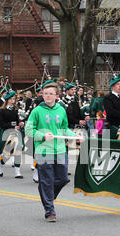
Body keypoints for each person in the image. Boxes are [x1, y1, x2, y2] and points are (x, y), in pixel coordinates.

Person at [24, 80, 79, 222]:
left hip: (60, 149)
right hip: (43, 150)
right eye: (45, 93)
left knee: (63, 178)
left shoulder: (61, 110)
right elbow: (28, 130)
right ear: (42, 95)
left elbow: (64, 128)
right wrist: (42, 136)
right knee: (47, 180)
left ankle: (47, 194)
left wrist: (75, 137)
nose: (47, 96)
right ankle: (49, 210)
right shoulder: (36, 111)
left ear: (57, 96)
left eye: (51, 94)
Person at [0, 90, 25, 178]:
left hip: (17, 133)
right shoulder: (2, 110)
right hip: (7, 132)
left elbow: (18, 120)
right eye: (11, 99)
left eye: (13, 99)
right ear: (7, 100)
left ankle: (17, 172)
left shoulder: (16, 110)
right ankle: (0, 164)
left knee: (18, 151)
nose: (13, 100)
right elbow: (1, 123)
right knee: (8, 153)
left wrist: (21, 123)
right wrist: (13, 126)